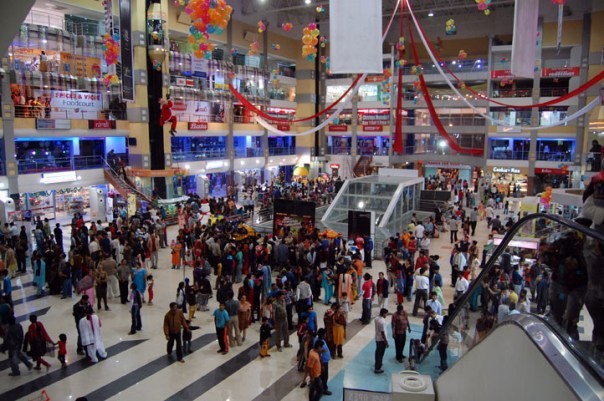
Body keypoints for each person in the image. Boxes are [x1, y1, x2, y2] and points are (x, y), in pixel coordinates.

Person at [374, 308, 389, 374]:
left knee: (377, 352)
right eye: (386, 314)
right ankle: (377, 368)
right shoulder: (382, 322)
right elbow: (383, 332)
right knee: (380, 354)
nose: (386, 315)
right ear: (384, 314)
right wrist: (386, 342)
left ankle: (377, 363)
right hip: (381, 339)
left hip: (377, 338)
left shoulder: (377, 319)